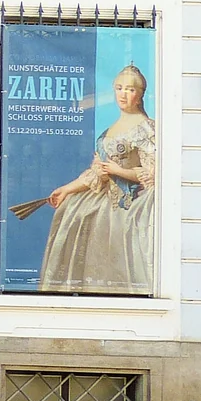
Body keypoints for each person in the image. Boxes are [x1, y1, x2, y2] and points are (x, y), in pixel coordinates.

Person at [38, 65, 156, 295]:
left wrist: (117, 171)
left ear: (140, 94)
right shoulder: (110, 130)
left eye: (130, 89)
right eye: (119, 88)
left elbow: (150, 173)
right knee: (72, 211)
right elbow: (95, 172)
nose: (123, 94)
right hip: (103, 199)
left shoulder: (146, 128)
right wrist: (67, 189)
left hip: (129, 203)